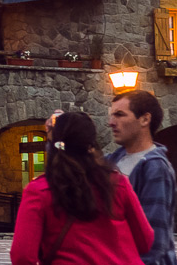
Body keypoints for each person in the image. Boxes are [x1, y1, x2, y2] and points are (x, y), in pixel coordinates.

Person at [10, 111, 153, 265]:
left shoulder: (40, 190)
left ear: (55, 145)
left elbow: (22, 256)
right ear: (91, 145)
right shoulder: (117, 183)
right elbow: (145, 240)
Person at [107, 90, 177, 265]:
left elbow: (154, 235)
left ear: (145, 119)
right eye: (111, 115)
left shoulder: (155, 167)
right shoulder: (111, 162)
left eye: (120, 115)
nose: (111, 122)